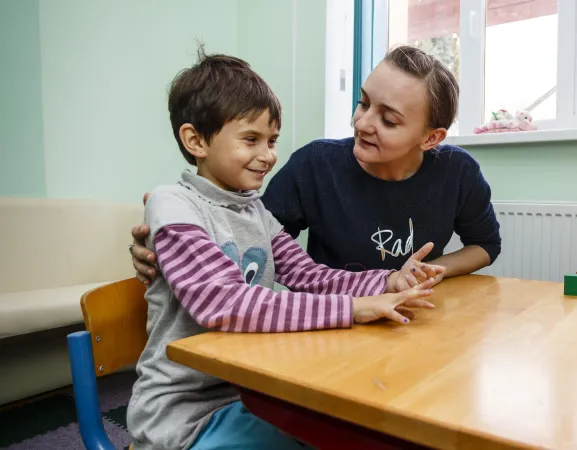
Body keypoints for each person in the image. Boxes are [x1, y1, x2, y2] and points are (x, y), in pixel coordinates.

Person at [129, 49, 442, 450]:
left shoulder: (254, 210)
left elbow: (309, 277)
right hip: (183, 412)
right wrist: (354, 309)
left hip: (250, 389)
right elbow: (222, 302)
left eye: (272, 140)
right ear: (195, 140)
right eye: (251, 140)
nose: (269, 155)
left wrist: (388, 280)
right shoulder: (172, 203)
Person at [130, 45, 501, 287]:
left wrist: (425, 273)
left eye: (388, 120)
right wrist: (175, 242)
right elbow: (250, 235)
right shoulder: (316, 164)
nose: (362, 123)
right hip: (331, 315)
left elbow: (485, 244)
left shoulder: (458, 172)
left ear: (430, 139)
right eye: (363, 103)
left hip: (404, 303)